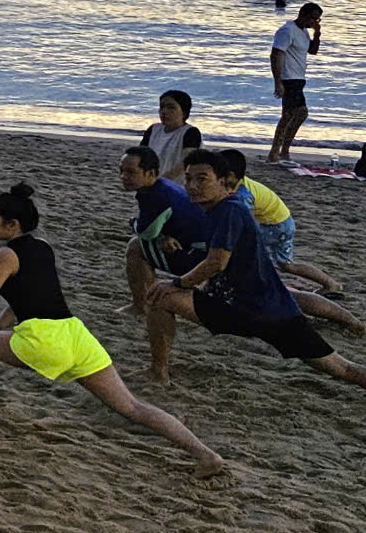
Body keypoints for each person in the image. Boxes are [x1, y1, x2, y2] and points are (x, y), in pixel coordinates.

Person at [0, 183, 225, 473]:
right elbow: (28, 296)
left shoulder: (4, 256)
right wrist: (0, 330)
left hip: (44, 340)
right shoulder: (43, 247)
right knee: (132, 407)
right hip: (76, 336)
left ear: (12, 225)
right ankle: (205, 454)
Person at [148, 150, 366, 387]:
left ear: (224, 181)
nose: (192, 185)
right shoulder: (214, 209)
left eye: (202, 179)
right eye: (188, 178)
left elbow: (216, 262)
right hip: (242, 305)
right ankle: (159, 373)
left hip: (263, 311)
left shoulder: (230, 209)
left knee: (341, 368)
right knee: (161, 299)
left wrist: (177, 283)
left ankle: (159, 374)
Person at [215, 147, 357, 325]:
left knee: (253, 257)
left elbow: (245, 223)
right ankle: (330, 283)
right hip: (280, 221)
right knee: (286, 265)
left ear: (230, 176)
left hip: (276, 225)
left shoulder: (244, 194)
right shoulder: (240, 184)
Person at [120, 145, 208, 315]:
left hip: (197, 256)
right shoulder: (163, 185)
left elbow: (146, 232)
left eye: (131, 172)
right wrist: (163, 236)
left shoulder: (156, 195)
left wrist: (133, 223)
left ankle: (140, 305)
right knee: (146, 242)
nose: (123, 176)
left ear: (150, 173)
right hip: (199, 247)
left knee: (136, 247)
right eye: (121, 171)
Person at [268, 3, 322, 163]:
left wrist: (317, 34)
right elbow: (275, 54)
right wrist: (278, 81)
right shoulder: (287, 30)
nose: (315, 22)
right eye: (314, 18)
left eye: (318, 19)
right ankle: (279, 152)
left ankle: (279, 152)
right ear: (304, 15)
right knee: (298, 113)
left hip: (299, 78)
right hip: (288, 78)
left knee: (289, 115)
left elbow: (312, 51)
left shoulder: (304, 32)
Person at [139, 89, 201, 180]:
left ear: (184, 112)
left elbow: (186, 163)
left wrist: (163, 181)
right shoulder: (153, 129)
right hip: (151, 182)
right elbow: (140, 156)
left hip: (178, 187)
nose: (164, 111)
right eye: (162, 107)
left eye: (171, 107)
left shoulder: (190, 132)